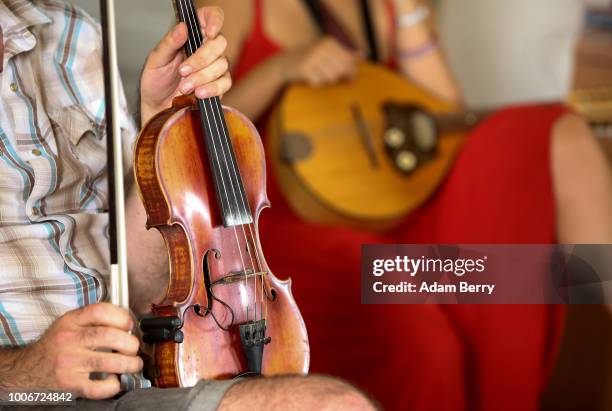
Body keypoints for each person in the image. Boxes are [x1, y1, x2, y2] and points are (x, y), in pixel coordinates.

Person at [196, 0, 612, 410]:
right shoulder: (238, 5)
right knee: (427, 326)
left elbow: (445, 122)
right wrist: (281, 69)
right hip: (290, 238)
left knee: (557, 134)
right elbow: (193, 129)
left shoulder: (387, 8)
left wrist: (409, 11)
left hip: (394, 214)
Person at [0, 1, 375, 410]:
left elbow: (142, 290)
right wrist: (24, 374)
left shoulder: (71, 33)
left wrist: (161, 127)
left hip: (137, 381)